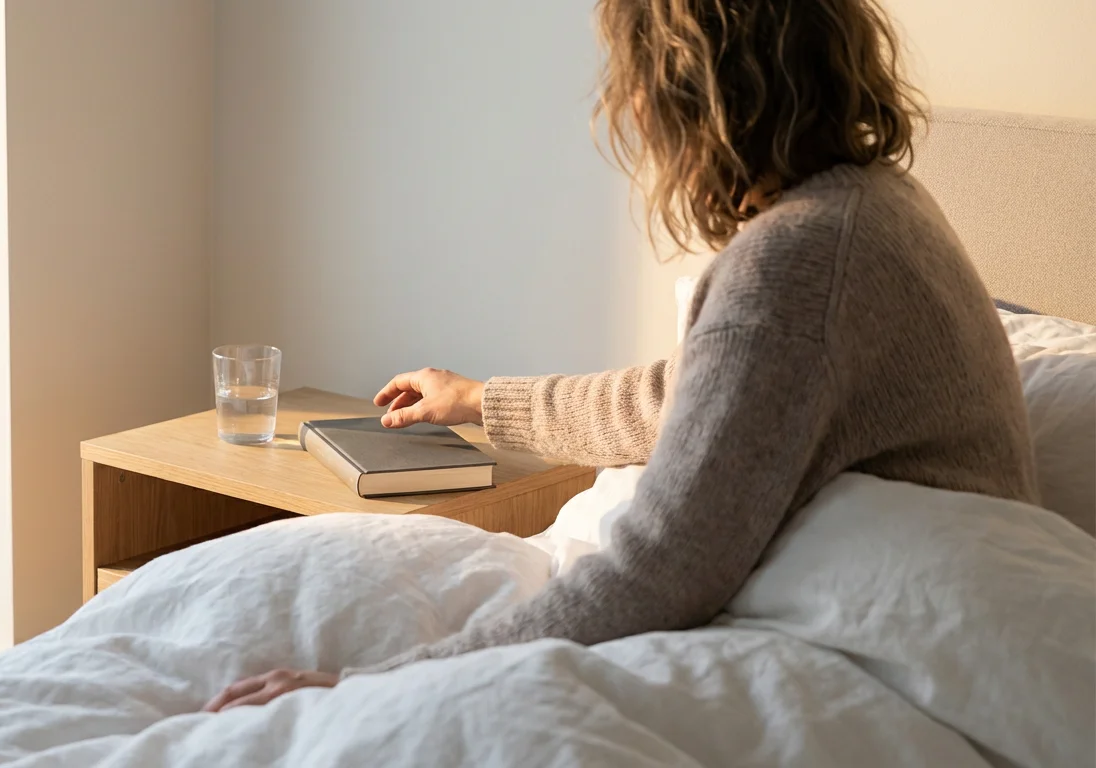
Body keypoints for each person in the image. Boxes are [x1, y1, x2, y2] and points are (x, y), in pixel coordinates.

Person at [203, 0, 1039, 712]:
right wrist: (478, 400)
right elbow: (683, 399)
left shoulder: (799, 262)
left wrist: (366, 688)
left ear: (687, 87)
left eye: (629, 74)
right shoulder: (872, 207)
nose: (623, 103)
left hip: (880, 640)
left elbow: (662, 568)